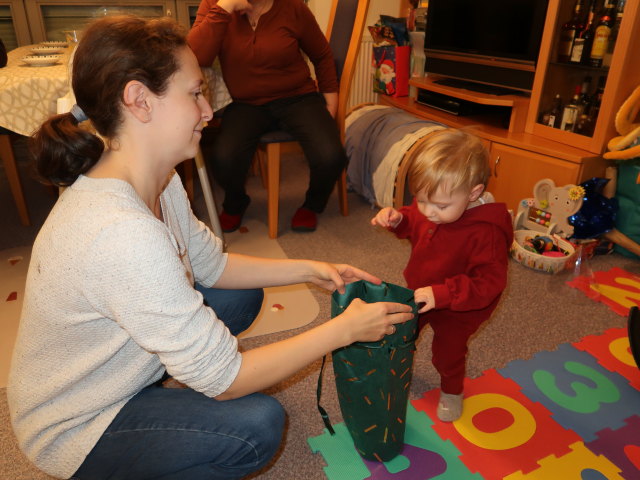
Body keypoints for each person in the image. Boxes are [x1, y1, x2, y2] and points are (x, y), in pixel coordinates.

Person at [7, 15, 414, 480]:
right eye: (195, 93)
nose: (208, 111)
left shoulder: (157, 177)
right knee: (256, 426)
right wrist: (342, 329)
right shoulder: (120, 233)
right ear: (139, 101)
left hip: (120, 370)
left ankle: (168, 385)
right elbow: (228, 382)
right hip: (78, 423)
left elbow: (211, 264)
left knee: (240, 295)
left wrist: (310, 269)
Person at [371, 128, 513, 422]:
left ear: (473, 193)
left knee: (447, 353)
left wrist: (444, 295)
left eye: (440, 206)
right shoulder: (434, 205)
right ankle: (397, 373)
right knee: (401, 334)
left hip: (459, 308)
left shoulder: (487, 232)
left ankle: (452, 390)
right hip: (421, 292)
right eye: (421, 200)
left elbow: (489, 283)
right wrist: (399, 219)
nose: (428, 212)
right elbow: (415, 221)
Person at [187, 0, 347, 233]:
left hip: (297, 97)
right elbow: (197, 58)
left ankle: (312, 205)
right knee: (223, 159)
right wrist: (226, 7)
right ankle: (235, 203)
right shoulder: (215, 5)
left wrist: (330, 103)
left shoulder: (294, 8)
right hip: (245, 103)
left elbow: (322, 55)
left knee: (331, 156)